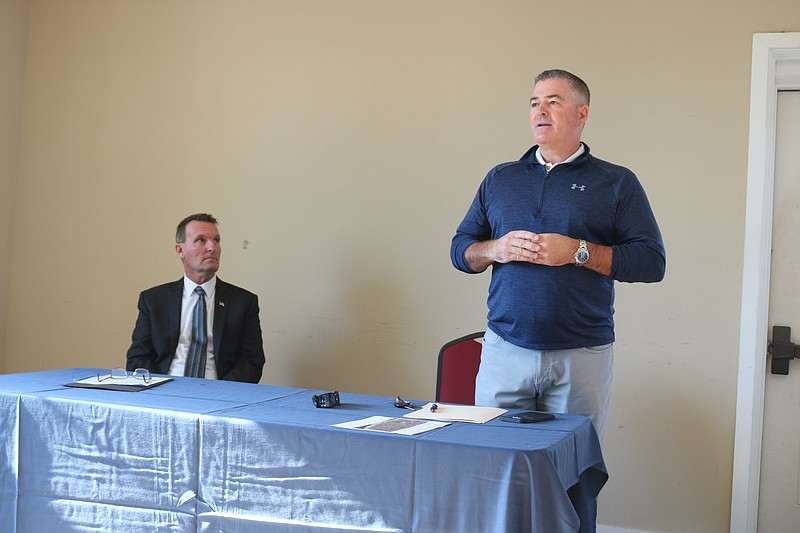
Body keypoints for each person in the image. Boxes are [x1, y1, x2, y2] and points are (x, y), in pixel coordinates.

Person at [450, 69, 665, 442]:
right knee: (494, 463)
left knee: (573, 473)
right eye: (535, 103)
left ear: (582, 115)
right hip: (504, 352)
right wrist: (496, 248)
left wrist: (577, 252)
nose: (540, 111)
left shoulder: (616, 182)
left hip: (581, 356)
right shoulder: (501, 178)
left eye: (553, 102)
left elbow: (651, 262)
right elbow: (460, 250)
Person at [126, 213, 265, 383]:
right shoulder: (154, 300)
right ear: (180, 250)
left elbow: (252, 361)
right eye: (201, 240)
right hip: (164, 390)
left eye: (216, 240)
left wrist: (222, 392)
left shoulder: (243, 302)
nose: (212, 248)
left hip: (220, 394)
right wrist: (159, 389)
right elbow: (137, 358)